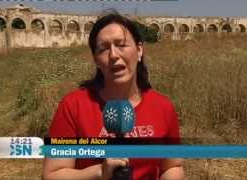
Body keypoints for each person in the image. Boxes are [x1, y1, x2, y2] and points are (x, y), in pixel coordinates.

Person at [42, 11, 185, 180]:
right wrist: (99, 173)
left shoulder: (163, 107)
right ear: (95, 59)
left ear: (139, 50)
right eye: (103, 48)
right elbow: (52, 174)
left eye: (121, 45)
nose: (114, 55)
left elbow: (173, 166)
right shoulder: (74, 106)